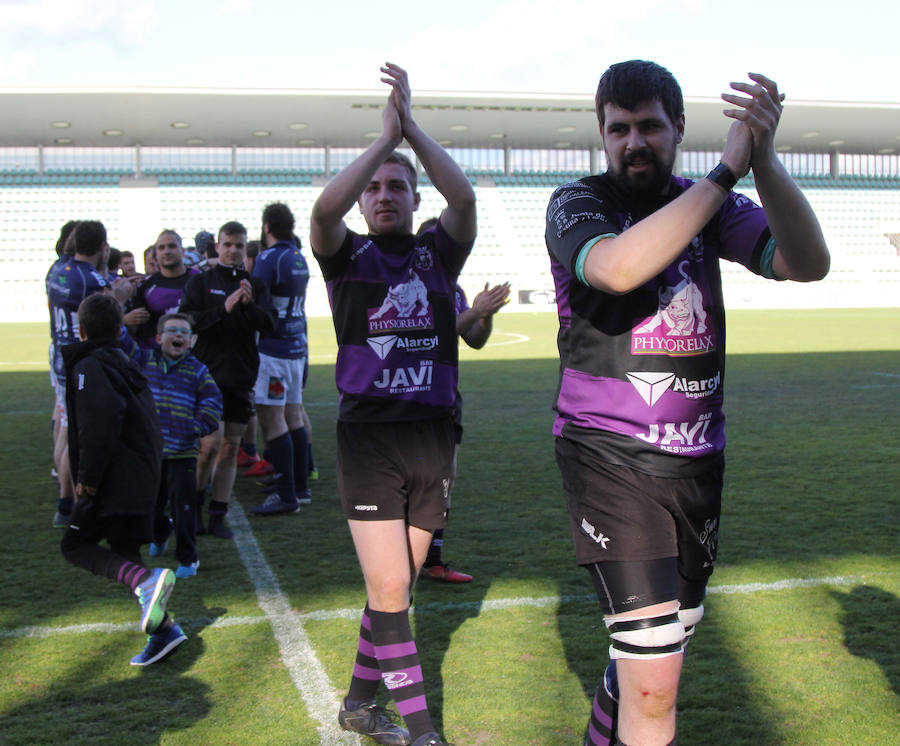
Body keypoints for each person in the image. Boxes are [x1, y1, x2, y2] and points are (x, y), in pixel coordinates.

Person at [544, 61, 830, 746]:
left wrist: (761, 161)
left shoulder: (712, 204)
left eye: (648, 127)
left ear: (677, 129)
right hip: (607, 453)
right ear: (602, 134)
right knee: (653, 676)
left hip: (698, 459)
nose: (633, 142)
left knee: (661, 649)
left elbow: (807, 261)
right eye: (618, 129)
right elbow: (616, 268)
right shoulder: (575, 204)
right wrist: (725, 172)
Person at [310, 63, 476, 746]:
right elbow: (322, 212)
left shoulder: (439, 255)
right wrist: (381, 144)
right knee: (388, 592)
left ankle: (356, 706)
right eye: (375, 188)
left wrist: (411, 131)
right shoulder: (344, 255)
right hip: (370, 440)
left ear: (414, 199)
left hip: (433, 437)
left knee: (395, 592)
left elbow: (462, 199)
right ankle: (423, 733)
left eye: (398, 187)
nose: (384, 195)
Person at [60, 292, 186, 667]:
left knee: (75, 545)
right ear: (120, 328)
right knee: (124, 551)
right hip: (141, 474)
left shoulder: (90, 367)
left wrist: (87, 480)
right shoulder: (122, 361)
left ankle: (148, 585)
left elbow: (99, 427)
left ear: (80, 330)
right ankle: (165, 632)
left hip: (118, 477)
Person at [179, 221, 276, 538]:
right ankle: (192, 509)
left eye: (239, 245)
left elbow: (270, 324)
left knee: (231, 447)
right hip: (206, 377)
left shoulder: (255, 285)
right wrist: (224, 307)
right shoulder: (201, 282)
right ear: (217, 247)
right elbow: (189, 321)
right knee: (208, 446)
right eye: (228, 244)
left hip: (241, 376)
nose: (233, 250)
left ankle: (217, 516)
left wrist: (248, 307)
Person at [419, 263, 511, 583]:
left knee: (445, 480)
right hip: (413, 396)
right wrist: (475, 311)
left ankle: (431, 560)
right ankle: (407, 559)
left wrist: (485, 315)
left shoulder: (454, 290)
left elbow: (474, 340)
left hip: (446, 397)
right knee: (414, 482)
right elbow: (433, 335)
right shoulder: (415, 289)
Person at [120, 313, 223, 578]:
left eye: (184, 333)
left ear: (190, 341)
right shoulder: (143, 360)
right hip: (150, 453)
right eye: (172, 330)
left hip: (183, 452)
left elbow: (212, 401)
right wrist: (119, 312)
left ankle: (188, 559)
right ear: (158, 338)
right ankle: (160, 530)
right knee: (150, 506)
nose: (178, 336)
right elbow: (118, 339)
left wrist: (198, 427)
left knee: (183, 507)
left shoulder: (198, 370)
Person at [248, 205, 312, 515]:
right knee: (293, 416)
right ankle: (300, 486)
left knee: (272, 420)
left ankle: (287, 494)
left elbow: (258, 302)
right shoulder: (299, 257)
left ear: (267, 226)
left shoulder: (268, 258)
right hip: (295, 349)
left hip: (273, 353)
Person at [46, 220, 111, 527]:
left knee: (64, 423)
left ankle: (62, 491)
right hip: (79, 361)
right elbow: (108, 315)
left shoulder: (57, 270)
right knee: (77, 437)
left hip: (59, 353)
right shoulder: (91, 280)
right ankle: (66, 503)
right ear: (102, 246)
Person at [125, 230, 200, 349]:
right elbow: (136, 325)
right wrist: (125, 319)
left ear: (183, 251)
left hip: (195, 356)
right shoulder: (145, 285)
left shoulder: (200, 279)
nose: (167, 251)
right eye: (161, 248)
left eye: (172, 246)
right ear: (156, 255)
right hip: (156, 357)